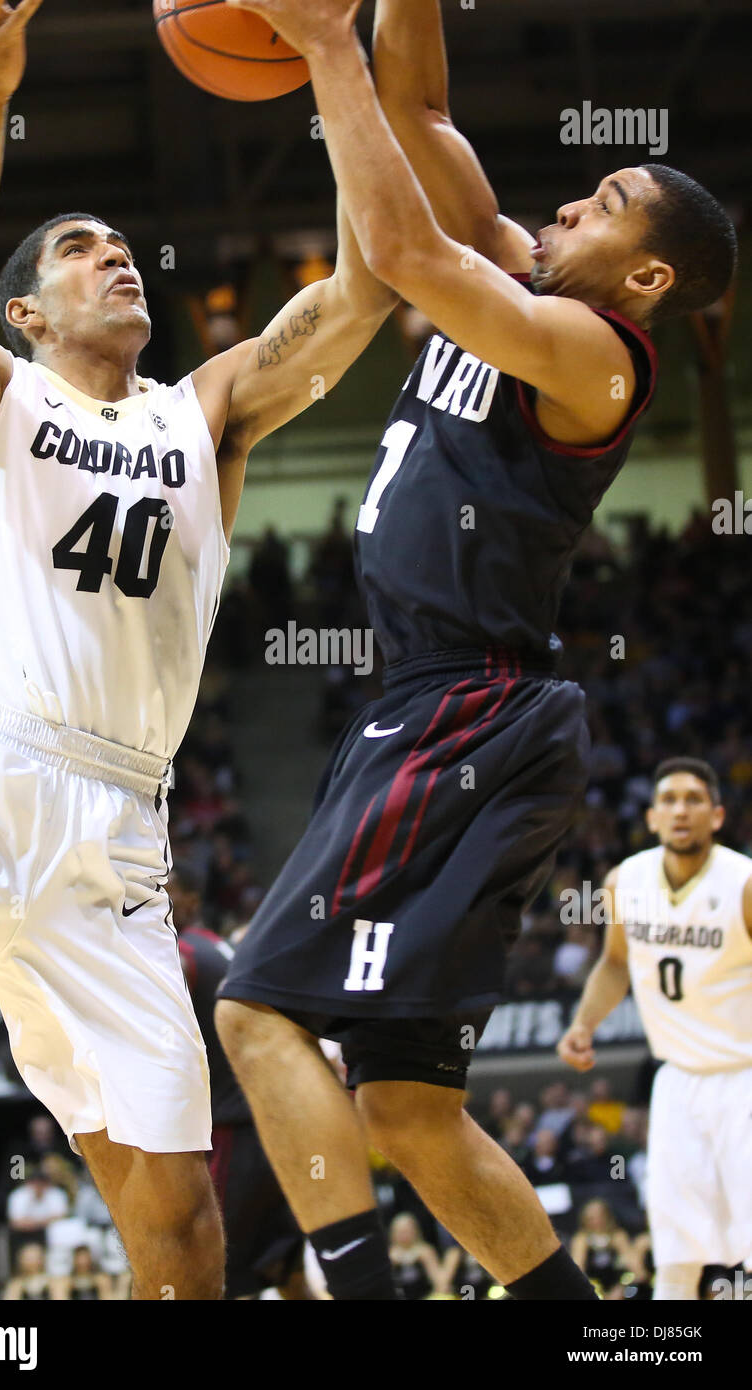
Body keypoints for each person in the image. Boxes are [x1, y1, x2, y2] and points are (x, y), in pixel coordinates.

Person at [216, 0, 737, 1301]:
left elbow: (394, 243)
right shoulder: (522, 278)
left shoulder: (590, 352)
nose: (565, 203)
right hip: (450, 711)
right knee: (404, 1107)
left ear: (647, 275)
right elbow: (426, 119)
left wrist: (321, 43)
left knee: (252, 1007)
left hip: (464, 711)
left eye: (603, 199)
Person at [0, 0, 396, 1300]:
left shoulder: (204, 408)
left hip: (118, 834)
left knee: (176, 1216)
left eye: (122, 244)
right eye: (78, 247)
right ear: (29, 307)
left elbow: (357, 295)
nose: (115, 256)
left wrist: (337, 58)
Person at [559, 758, 752, 1300]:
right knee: (675, 1246)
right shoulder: (626, 880)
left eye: (694, 799)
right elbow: (616, 962)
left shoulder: (743, 884)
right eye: (668, 799)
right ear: (650, 817)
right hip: (675, 1083)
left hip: (745, 1077)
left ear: (717, 816)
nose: (680, 810)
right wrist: (583, 1023)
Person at [168, 862, 310, 1300]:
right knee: (285, 1267)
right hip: (279, 1129)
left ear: (189, 898)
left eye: (163, 888)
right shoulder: (227, 949)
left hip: (234, 1132)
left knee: (207, 1269)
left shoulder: (183, 954)